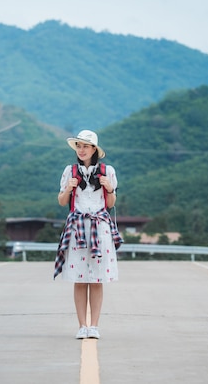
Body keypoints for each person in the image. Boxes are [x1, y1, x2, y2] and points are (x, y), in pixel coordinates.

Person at [54, 129, 123, 339]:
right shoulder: (70, 171)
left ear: (94, 149)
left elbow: (111, 204)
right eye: (79, 146)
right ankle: (82, 325)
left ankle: (94, 326)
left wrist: (110, 189)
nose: (81, 150)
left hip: (99, 227)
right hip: (77, 227)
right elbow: (62, 201)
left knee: (96, 279)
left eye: (85, 146)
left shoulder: (107, 171)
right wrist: (68, 189)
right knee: (80, 279)